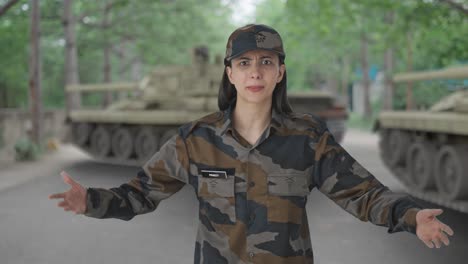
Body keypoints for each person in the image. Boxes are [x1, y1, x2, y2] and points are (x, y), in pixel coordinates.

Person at [49, 24, 454, 264]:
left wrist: (409, 216)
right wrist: (92, 201)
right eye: (244, 63)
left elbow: (365, 195)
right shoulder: (196, 140)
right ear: (229, 73)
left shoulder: (308, 139)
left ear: (280, 72)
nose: (255, 72)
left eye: (266, 62)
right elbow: (139, 194)